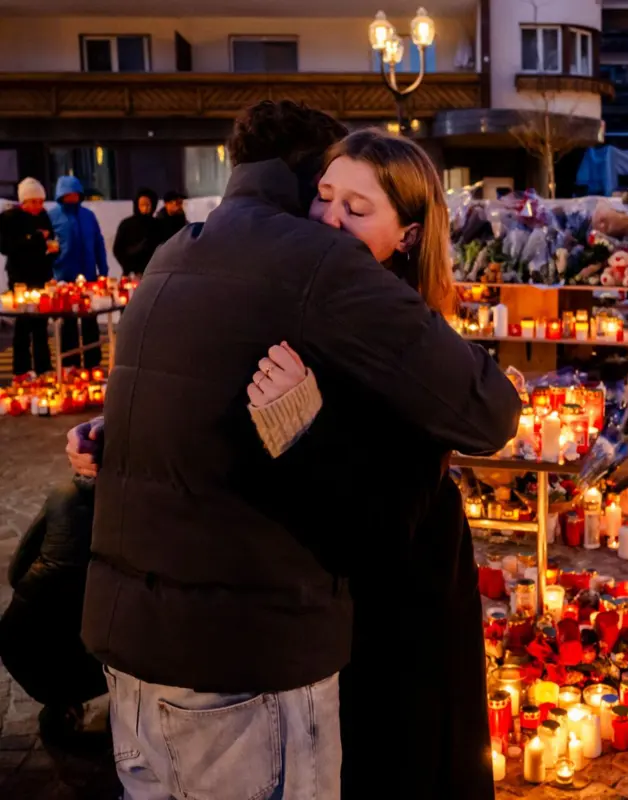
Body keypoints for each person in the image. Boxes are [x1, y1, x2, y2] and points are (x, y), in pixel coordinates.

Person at [80, 101, 521, 800]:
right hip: (282, 644)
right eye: (324, 197)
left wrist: (304, 431)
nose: (330, 220)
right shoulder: (309, 293)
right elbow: (204, 395)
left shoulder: (395, 343)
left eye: (356, 206)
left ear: (407, 236)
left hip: (396, 643)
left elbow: (381, 527)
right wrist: (114, 437)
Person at [0, 477, 108, 747]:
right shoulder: (19, 666)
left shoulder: (64, 494)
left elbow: (15, 573)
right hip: (65, 523)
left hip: (19, 643)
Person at [47, 175, 107, 368]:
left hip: (89, 276)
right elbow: (46, 247)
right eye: (67, 194)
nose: (71, 197)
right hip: (63, 277)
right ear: (61, 195)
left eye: (75, 193)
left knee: (90, 320)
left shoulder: (88, 216)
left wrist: (103, 269)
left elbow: (98, 243)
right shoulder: (53, 217)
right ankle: (70, 365)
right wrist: (51, 272)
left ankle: (93, 362)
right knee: (68, 324)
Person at [0, 177, 56, 375]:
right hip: (21, 278)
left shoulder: (43, 216)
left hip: (41, 275)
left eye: (41, 202)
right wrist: (35, 239)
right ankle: (21, 370)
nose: (38, 206)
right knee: (23, 325)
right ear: (24, 201)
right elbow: (7, 247)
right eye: (34, 202)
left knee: (41, 325)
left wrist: (53, 250)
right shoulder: (10, 218)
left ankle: (43, 367)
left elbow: (51, 238)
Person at [111, 188, 160, 278]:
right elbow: (118, 249)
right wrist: (129, 266)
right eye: (142, 204)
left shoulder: (158, 225)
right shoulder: (126, 224)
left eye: (148, 204)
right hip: (131, 274)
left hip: (153, 274)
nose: (145, 208)